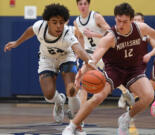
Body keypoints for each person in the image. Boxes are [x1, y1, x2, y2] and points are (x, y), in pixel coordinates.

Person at [62, 3, 155, 135]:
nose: (121, 25)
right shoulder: (110, 37)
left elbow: (153, 33)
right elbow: (94, 58)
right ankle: (72, 125)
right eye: (119, 21)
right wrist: (81, 73)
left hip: (133, 70)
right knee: (97, 97)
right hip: (114, 70)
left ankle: (126, 118)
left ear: (131, 20)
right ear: (115, 19)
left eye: (125, 22)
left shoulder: (140, 28)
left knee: (149, 96)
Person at [4, 4, 94, 133]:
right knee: (49, 95)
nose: (58, 26)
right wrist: (17, 42)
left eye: (61, 22)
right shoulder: (39, 26)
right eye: (54, 22)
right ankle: (59, 101)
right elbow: (30, 30)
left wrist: (89, 61)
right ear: (47, 21)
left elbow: (78, 49)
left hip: (66, 58)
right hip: (47, 59)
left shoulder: (68, 33)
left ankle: (77, 123)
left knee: (72, 90)